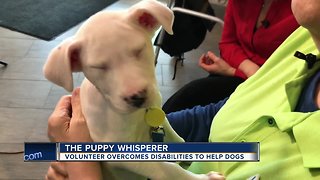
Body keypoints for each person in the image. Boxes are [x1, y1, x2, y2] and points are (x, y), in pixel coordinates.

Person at [46, 0, 320, 178]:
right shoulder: (306, 36)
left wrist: (81, 162)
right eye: (103, 68)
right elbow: (218, 112)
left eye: (136, 53)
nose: (133, 88)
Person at [162, 0, 299, 113]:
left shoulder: (302, 12)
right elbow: (228, 42)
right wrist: (248, 67)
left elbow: (293, 77)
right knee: (182, 104)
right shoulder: (240, 3)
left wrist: (232, 71)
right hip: (240, 75)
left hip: (270, 92)